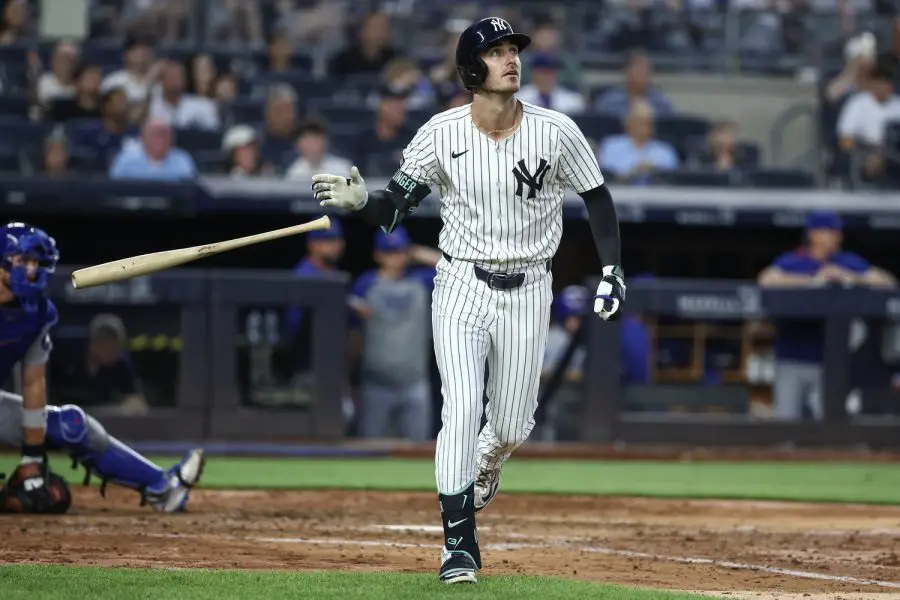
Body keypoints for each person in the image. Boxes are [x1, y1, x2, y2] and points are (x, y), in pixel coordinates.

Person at [312, 16, 625, 584]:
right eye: (497, 52)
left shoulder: (556, 131)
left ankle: (489, 460)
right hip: (460, 282)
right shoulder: (440, 133)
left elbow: (598, 200)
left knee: (511, 423)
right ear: (469, 71)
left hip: (530, 284)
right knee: (459, 409)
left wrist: (612, 269)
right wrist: (361, 202)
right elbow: (393, 210)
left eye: (514, 50)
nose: (511, 59)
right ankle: (459, 546)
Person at [0, 222, 204, 514]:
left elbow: (33, 383)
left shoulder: (36, 313)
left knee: (73, 426)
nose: (31, 270)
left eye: (37, 262)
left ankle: (163, 488)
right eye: (24, 261)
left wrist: (31, 459)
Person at [757, 211, 897, 420]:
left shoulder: (845, 261)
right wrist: (813, 281)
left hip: (830, 363)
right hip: (791, 357)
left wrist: (849, 277)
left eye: (837, 232)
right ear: (813, 234)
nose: (836, 236)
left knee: (829, 424)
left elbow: (888, 282)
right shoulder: (794, 261)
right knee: (786, 422)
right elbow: (766, 280)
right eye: (830, 231)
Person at [349, 226, 437, 441]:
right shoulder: (365, 284)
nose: (395, 257)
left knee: (418, 451)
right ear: (378, 255)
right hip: (375, 383)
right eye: (389, 252)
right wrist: (351, 375)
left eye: (400, 251)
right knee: (369, 448)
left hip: (414, 383)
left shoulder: (422, 280)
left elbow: (455, 269)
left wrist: (419, 252)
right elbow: (353, 332)